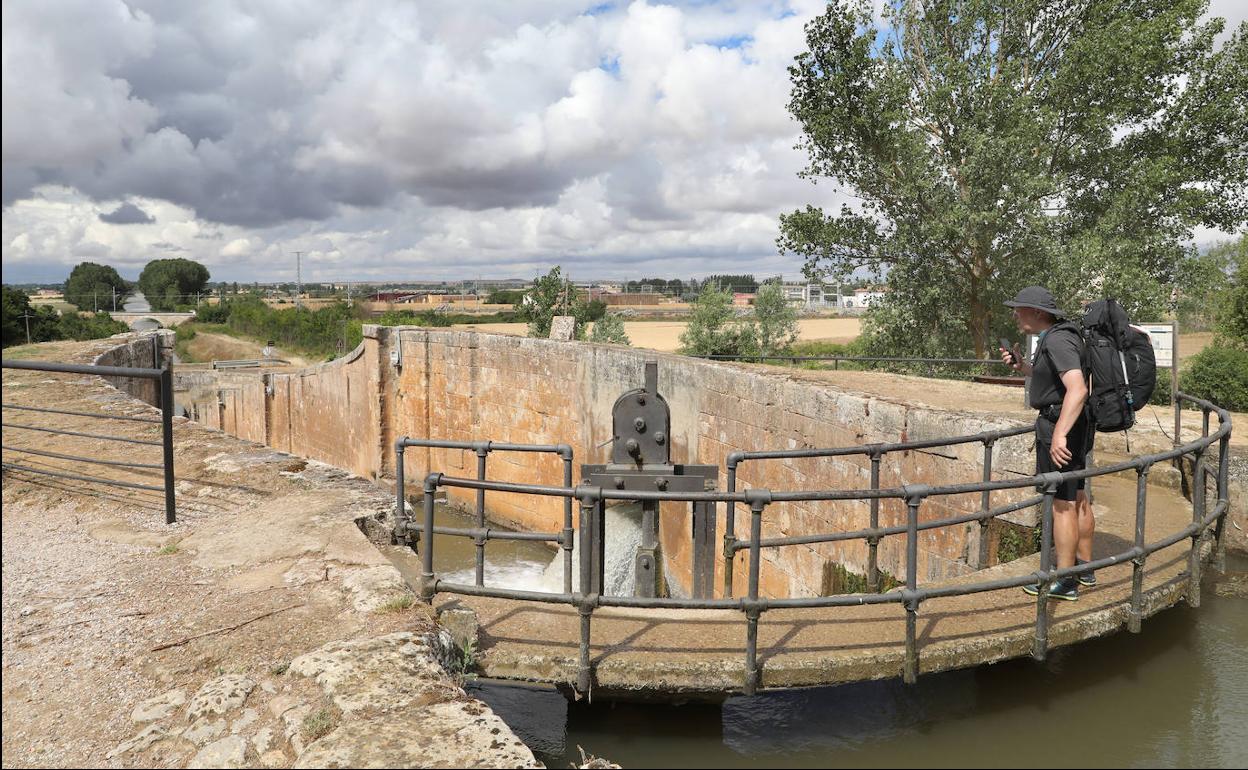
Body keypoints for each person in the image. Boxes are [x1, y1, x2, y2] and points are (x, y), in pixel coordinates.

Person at [999, 286, 1093, 601]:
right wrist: (1022, 366)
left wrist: (1059, 433)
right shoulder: (1058, 337)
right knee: (1077, 495)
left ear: (1037, 313)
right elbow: (1053, 379)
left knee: (1063, 503)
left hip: (1059, 423)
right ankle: (1084, 568)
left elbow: (1077, 389)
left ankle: (1065, 581)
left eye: (1019, 309)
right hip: (1073, 423)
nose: (1015, 314)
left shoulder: (1057, 339)